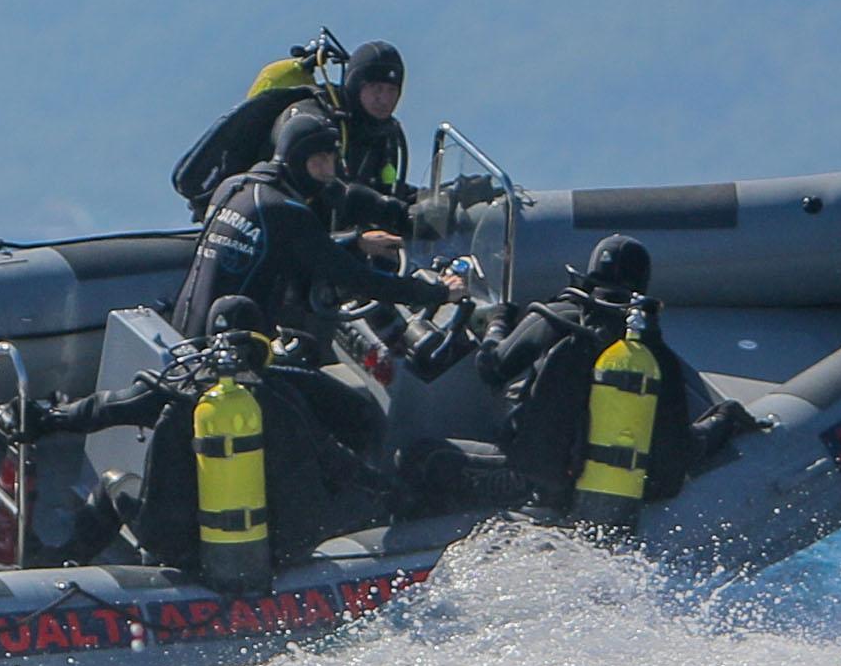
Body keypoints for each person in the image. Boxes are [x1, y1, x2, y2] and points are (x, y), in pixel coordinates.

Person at [20, 298, 382, 590]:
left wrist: (43, 418)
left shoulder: (174, 388)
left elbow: (102, 408)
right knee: (353, 486)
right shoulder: (293, 388)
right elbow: (358, 428)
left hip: (176, 548)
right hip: (291, 545)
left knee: (114, 482)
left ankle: (59, 568)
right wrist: (397, 495)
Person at [480, 234, 748, 531]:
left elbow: (490, 367)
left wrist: (497, 321)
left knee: (429, 458)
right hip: (611, 500)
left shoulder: (553, 318)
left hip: (532, 486)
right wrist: (723, 420)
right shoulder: (653, 355)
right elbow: (678, 449)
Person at [175, 101, 463, 358]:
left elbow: (289, 246)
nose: (328, 172)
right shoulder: (286, 211)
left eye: (331, 160)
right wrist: (436, 292)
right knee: (355, 411)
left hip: (186, 335)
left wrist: (357, 242)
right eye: (319, 161)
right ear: (298, 159)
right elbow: (357, 279)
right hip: (233, 355)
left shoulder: (235, 187)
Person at [167, 37, 428, 243]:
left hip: (328, 239)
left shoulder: (384, 136)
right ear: (356, 85)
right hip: (270, 233)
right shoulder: (311, 121)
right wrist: (385, 209)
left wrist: (425, 202)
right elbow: (322, 188)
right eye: (375, 89)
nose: (384, 99)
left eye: (391, 90)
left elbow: (382, 185)